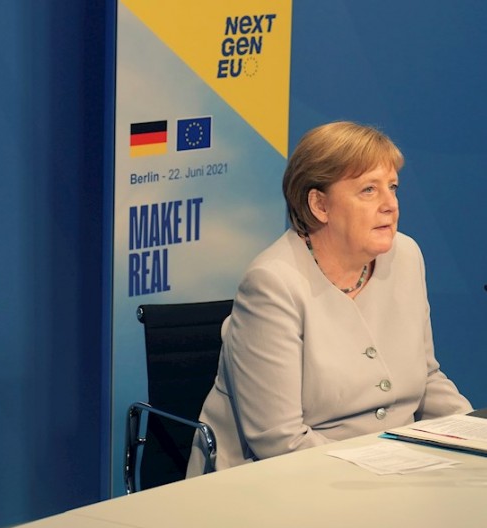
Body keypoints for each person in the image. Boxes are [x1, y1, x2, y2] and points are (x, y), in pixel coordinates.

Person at [186, 121, 471, 475]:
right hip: (284, 482)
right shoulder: (273, 284)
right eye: (369, 190)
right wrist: (388, 474)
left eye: (393, 188)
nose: (390, 205)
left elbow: (426, 379)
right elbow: (279, 441)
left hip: (394, 473)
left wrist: (473, 433)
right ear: (320, 204)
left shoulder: (406, 256)